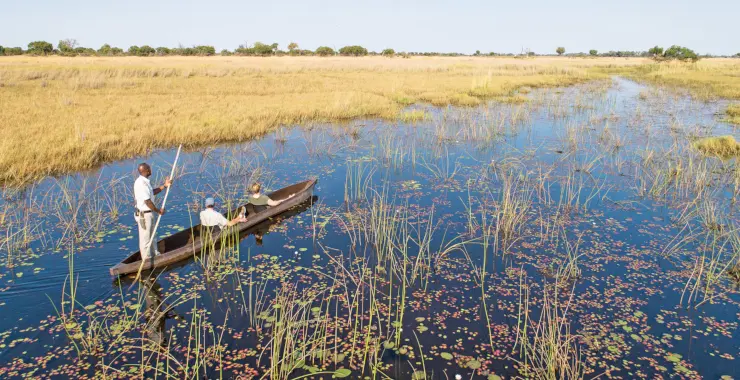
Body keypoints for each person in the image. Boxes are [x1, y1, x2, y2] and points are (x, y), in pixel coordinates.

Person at [134, 163, 172, 260]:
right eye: (149, 168)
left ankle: (156, 255)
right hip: (144, 215)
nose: (151, 169)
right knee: (145, 239)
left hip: (148, 214)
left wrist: (164, 186)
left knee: (153, 236)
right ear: (146, 171)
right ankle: (147, 260)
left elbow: (151, 193)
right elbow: (147, 201)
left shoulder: (145, 181)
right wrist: (158, 211)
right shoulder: (141, 183)